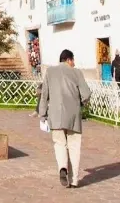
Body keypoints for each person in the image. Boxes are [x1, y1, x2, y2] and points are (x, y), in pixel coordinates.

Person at [39, 49, 91, 188]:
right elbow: (86, 94)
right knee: (74, 146)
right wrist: (81, 103)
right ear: (69, 59)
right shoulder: (77, 72)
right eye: (73, 61)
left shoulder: (50, 72)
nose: (74, 63)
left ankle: (62, 167)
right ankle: (74, 180)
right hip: (73, 115)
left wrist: (42, 114)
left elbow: (44, 95)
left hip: (55, 115)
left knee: (59, 143)